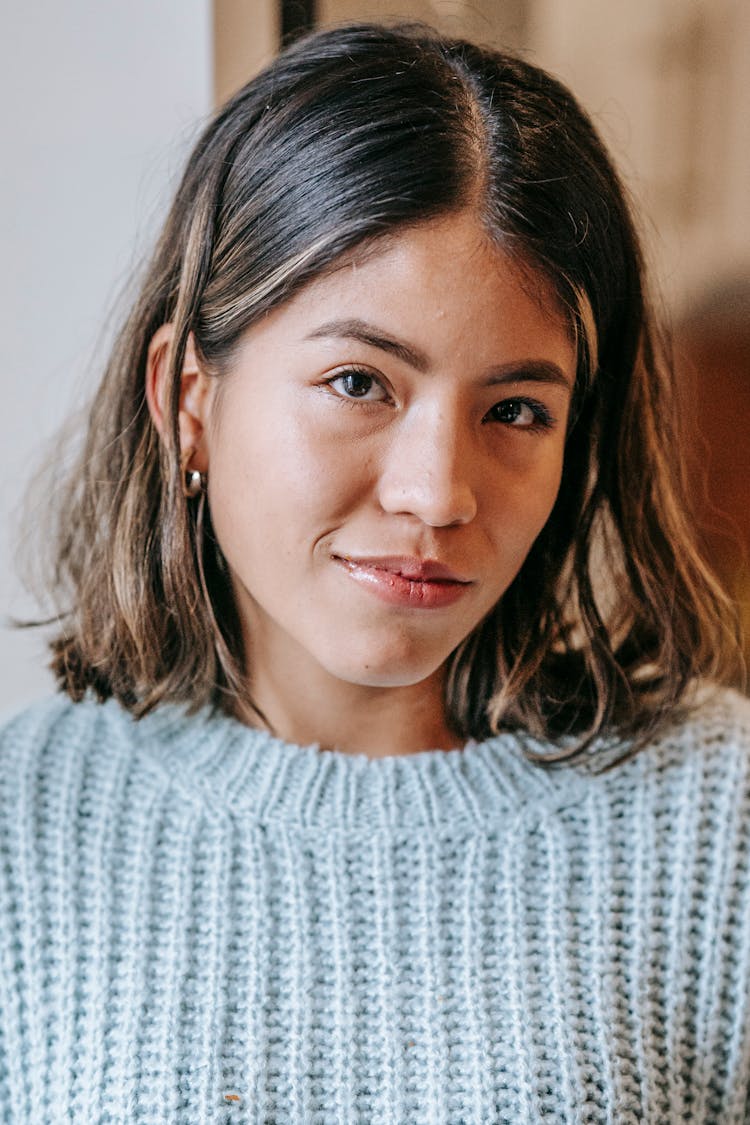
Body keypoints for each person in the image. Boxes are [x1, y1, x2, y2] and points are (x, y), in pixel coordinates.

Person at [1, 20, 748, 1124]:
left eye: (515, 411)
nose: (438, 492)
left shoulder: (716, 819)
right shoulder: (23, 829)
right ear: (188, 400)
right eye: (360, 383)